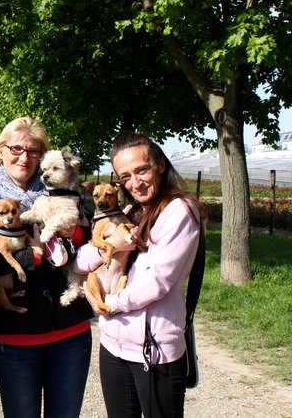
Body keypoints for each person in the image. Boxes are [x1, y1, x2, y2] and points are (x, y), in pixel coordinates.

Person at [0, 115, 98, 418]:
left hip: (70, 332)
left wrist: (74, 233)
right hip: (15, 337)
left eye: (33, 151)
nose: (24, 157)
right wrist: (34, 256)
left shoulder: (64, 193)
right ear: (1, 151)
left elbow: (91, 238)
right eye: (16, 149)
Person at [74, 132, 207, 417]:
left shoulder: (179, 211)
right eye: (126, 177)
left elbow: (156, 282)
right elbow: (80, 261)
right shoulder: (130, 209)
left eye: (142, 170)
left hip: (154, 350)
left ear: (160, 164)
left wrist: (108, 304)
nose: (135, 182)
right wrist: (107, 249)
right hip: (113, 344)